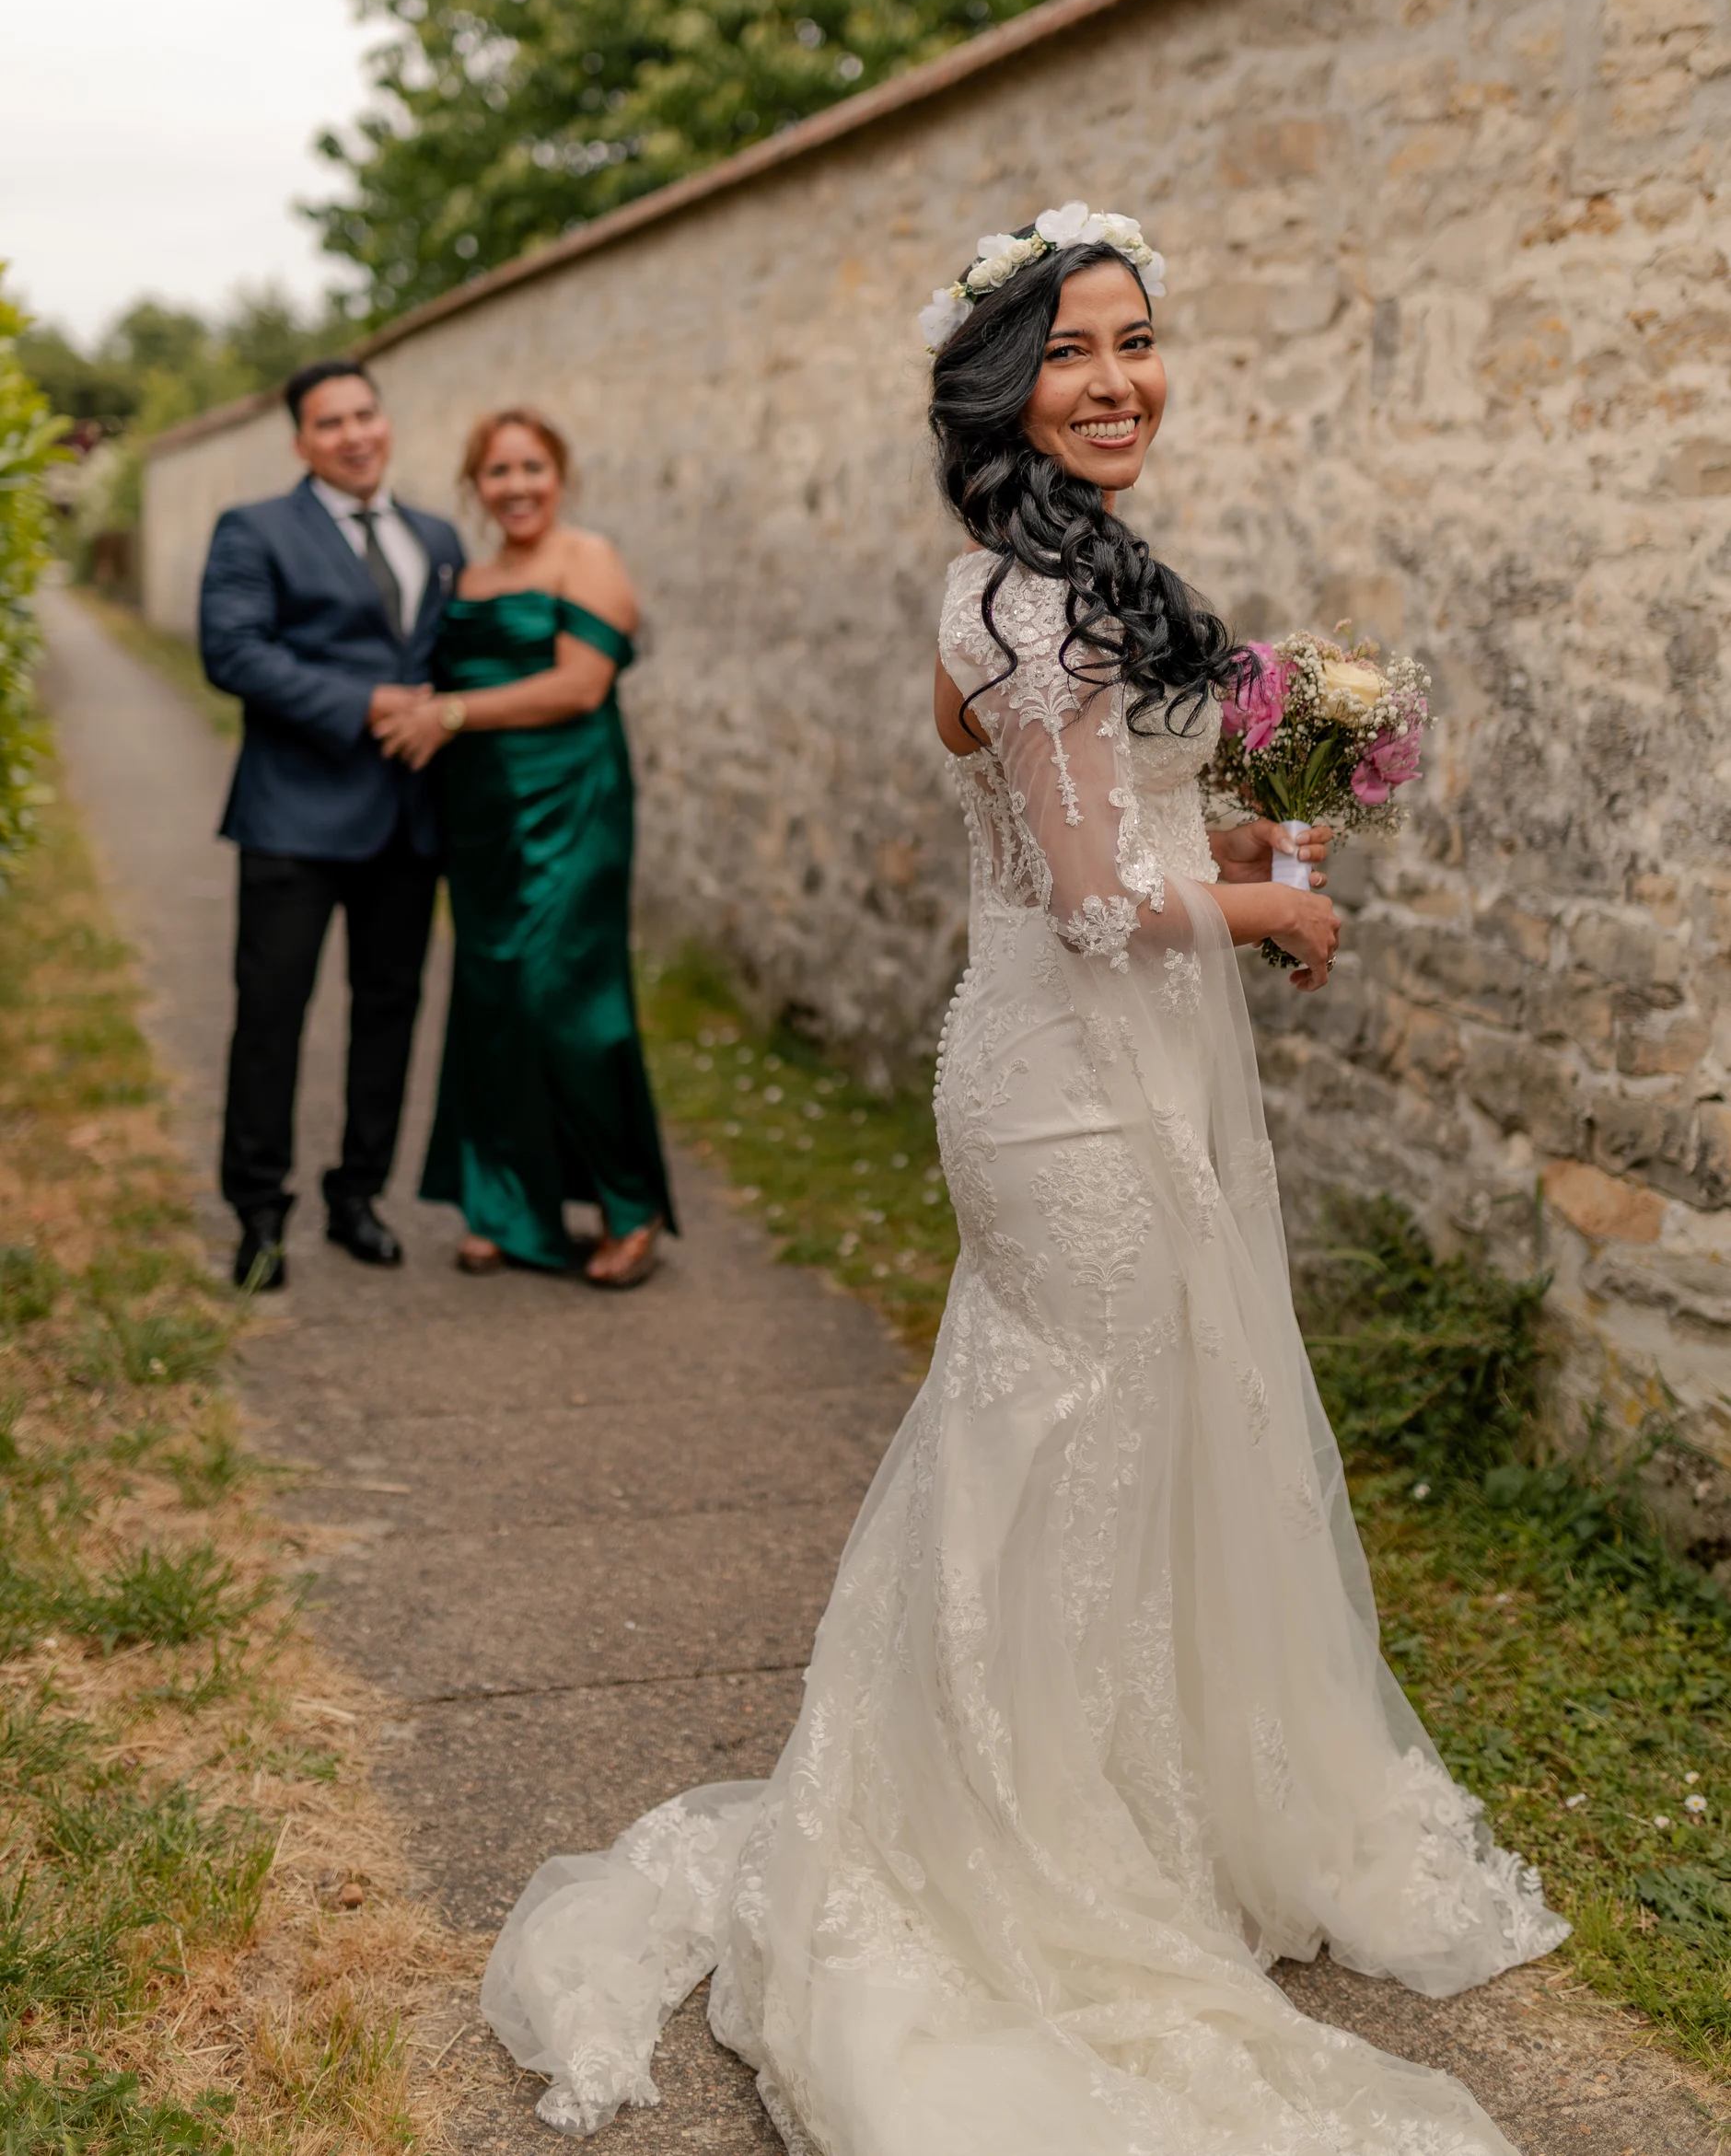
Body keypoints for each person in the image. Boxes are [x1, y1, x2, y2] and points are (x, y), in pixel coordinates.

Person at [477, 211, 1566, 2153]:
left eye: (1137, 341)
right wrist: (1262, 910)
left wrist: (1256, 793)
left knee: (1119, 1444)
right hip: (1066, 1083)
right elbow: (1087, 896)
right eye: (1072, 352)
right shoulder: (1027, 597)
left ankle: (1110, 1802)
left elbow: (1059, 800)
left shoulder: (1048, 587)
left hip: (1100, 1060)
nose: (1118, 378)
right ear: (999, 391)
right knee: (1057, 1441)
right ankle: (1009, 1844)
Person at [369, 406, 674, 1289]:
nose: (516, 487)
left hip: (575, 804)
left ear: (560, 475)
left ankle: (628, 1204)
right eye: (497, 473)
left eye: (531, 468)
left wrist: (452, 714)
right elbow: (442, 680)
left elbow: (581, 686)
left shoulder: (589, 558)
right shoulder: (463, 580)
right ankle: (503, 1204)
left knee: (565, 998)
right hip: (482, 818)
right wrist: (409, 706)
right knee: (491, 998)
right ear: (475, 488)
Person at [200, 359, 465, 1291]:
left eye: (364, 414)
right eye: (329, 423)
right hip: (292, 820)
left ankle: (359, 1194)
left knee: (388, 1015)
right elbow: (231, 651)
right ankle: (258, 1215)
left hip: (406, 821)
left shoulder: (436, 536)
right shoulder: (254, 530)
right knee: (271, 1017)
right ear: (300, 442)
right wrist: (369, 705)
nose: (353, 435)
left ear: (384, 421)